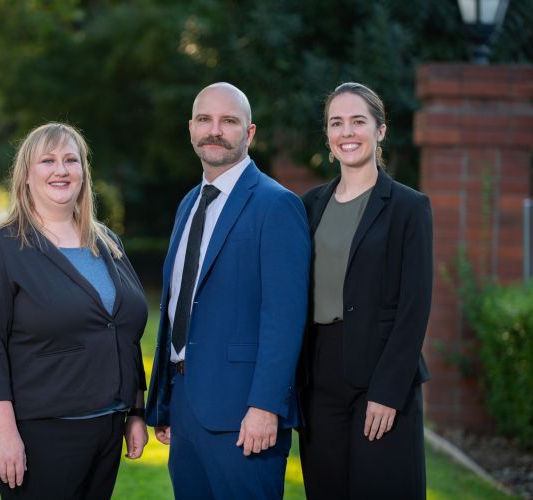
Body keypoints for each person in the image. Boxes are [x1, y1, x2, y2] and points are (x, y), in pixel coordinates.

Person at [0, 122, 149, 499]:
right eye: (47, 161)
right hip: (41, 434)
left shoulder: (107, 242)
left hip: (108, 428)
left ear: (84, 171)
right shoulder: (0, 248)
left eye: (71, 160)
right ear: (26, 176)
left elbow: (124, 333)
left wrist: (135, 411)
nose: (61, 170)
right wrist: (5, 435)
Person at [145, 82, 310, 499]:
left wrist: (266, 406)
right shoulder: (189, 204)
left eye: (228, 121)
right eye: (205, 120)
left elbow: (285, 317)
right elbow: (178, 305)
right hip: (186, 408)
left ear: (249, 133)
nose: (214, 130)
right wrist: (166, 400)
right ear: (191, 129)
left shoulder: (276, 205)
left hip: (245, 413)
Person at [297, 82, 433, 500]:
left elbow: (415, 306)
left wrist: (387, 392)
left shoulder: (409, 207)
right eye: (336, 123)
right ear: (327, 136)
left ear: (380, 131)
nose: (347, 132)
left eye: (358, 121)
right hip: (319, 376)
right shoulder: (308, 205)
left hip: (381, 374)